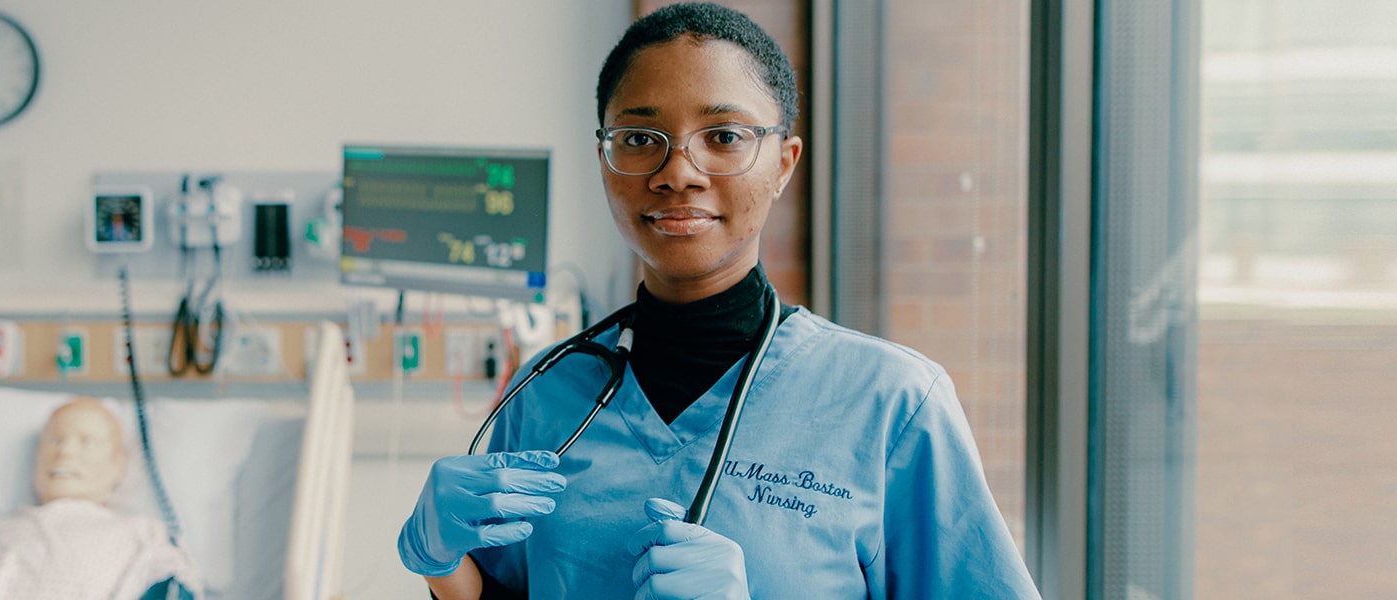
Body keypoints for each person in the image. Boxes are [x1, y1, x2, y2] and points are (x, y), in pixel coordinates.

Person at [397, 3, 1041, 599]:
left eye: (724, 136)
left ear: (784, 162)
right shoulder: (544, 393)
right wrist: (442, 563)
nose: (677, 170)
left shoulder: (892, 404)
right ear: (604, 157)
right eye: (640, 138)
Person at [0, 398, 200, 600]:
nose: (66, 450)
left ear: (118, 466)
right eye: (54, 440)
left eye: (86, 441)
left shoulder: (143, 540)